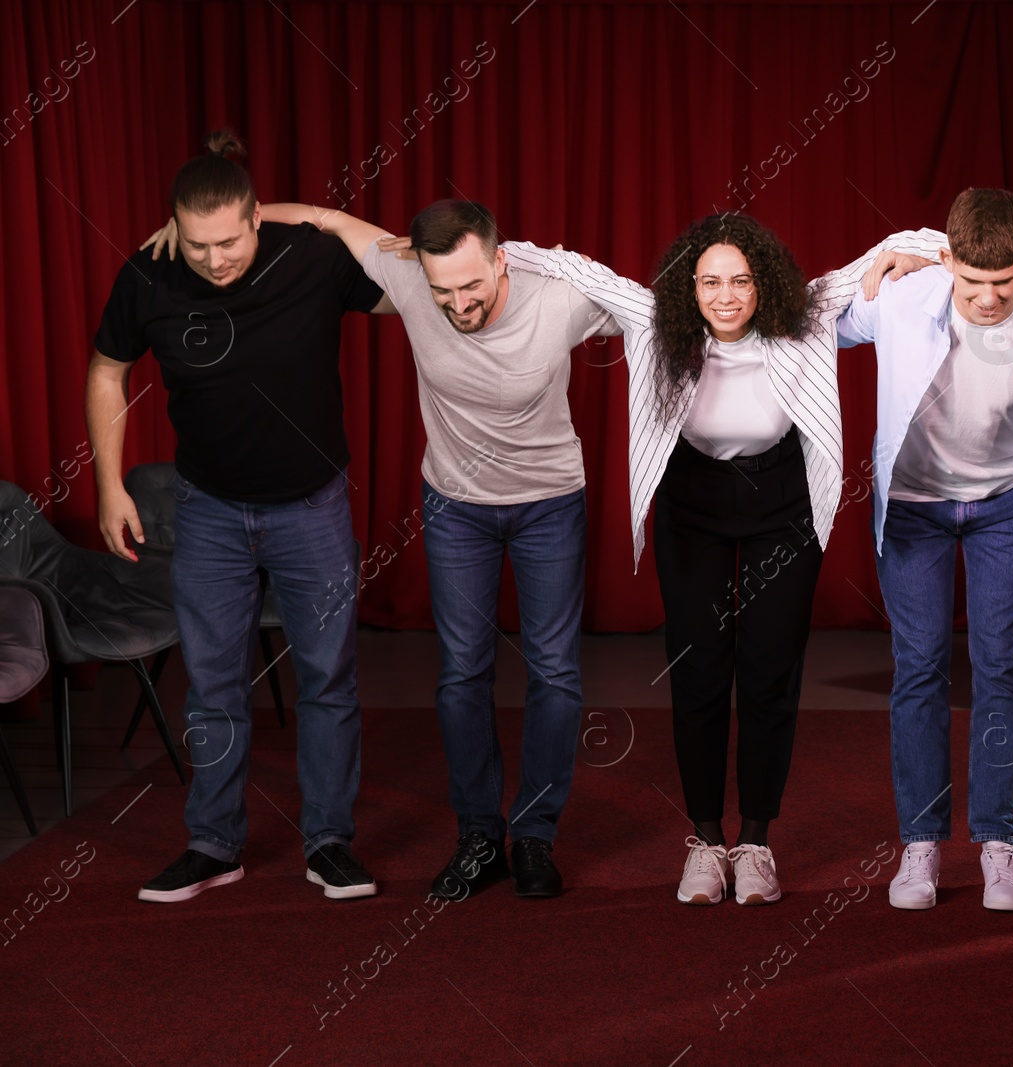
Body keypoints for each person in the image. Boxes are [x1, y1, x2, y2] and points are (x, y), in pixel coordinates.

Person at [151, 197, 624, 900]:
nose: (459, 302)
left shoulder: (562, 299)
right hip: (456, 507)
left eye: (472, 285)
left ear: (500, 261)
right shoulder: (407, 278)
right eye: (443, 291)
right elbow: (329, 219)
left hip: (549, 504)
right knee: (462, 671)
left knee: (553, 672)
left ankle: (534, 836)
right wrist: (223, 226)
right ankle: (478, 836)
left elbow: (657, 313)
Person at [499, 214, 945, 906]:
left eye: (740, 280)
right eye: (710, 281)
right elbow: (571, 266)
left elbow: (890, 248)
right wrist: (489, 249)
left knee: (770, 671)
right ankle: (706, 841)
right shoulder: (655, 318)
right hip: (693, 500)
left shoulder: (805, 310)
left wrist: (955, 252)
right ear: (691, 287)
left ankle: (757, 841)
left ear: (763, 283)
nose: (727, 295)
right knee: (700, 669)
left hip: (781, 502)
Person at [94, 131, 393, 903]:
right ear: (172, 231)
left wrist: (313, 213)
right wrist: (108, 485)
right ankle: (213, 842)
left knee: (329, 676)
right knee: (213, 683)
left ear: (259, 219)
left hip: (312, 505)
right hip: (209, 510)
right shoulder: (148, 274)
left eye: (229, 241)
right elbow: (107, 370)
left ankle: (328, 841)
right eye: (197, 245)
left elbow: (406, 277)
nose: (216, 260)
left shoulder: (309, 257)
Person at [836, 188, 1013, 912]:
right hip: (916, 506)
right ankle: (920, 844)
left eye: (1004, 282)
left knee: (1000, 668)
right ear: (946, 260)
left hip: (1008, 506)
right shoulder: (903, 295)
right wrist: (894, 247)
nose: (987, 299)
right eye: (971, 281)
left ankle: (999, 844)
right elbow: (809, 312)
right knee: (918, 667)